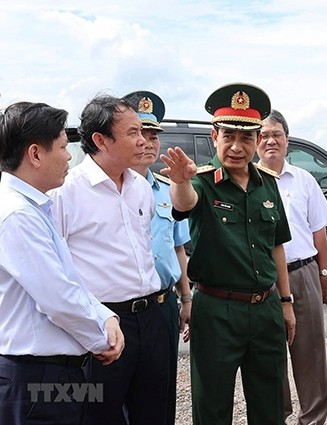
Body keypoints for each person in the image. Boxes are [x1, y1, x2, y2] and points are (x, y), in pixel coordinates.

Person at [160, 83, 295, 425]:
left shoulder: (269, 183)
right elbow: (184, 203)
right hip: (216, 311)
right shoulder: (201, 181)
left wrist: (286, 302)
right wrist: (179, 181)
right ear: (214, 135)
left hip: (265, 309)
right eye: (229, 136)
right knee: (213, 407)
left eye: (246, 138)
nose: (237, 147)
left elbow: (276, 245)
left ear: (256, 141)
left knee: (269, 406)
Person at [0, 101, 124, 425]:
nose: (69, 155)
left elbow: (70, 281)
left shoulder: (36, 207)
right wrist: (103, 339)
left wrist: (105, 316)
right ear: (35, 154)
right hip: (34, 376)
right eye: (61, 146)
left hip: (57, 372)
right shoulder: (18, 215)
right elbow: (58, 299)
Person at [50, 95, 170, 425]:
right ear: (101, 140)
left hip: (150, 318)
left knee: (154, 411)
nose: (143, 141)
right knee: (99, 413)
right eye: (133, 132)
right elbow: (57, 271)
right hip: (103, 327)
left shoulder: (141, 187)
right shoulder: (66, 192)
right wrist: (91, 325)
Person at [256, 109, 327, 424]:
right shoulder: (244, 180)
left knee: (310, 353)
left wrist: (324, 275)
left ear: (287, 140)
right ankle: (277, 416)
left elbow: (320, 234)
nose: (270, 141)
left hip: (303, 274)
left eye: (277, 134)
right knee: (268, 357)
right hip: (262, 281)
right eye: (263, 135)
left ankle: (313, 418)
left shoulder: (303, 179)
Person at [124, 91, 193, 425]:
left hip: (163, 305)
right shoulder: (106, 189)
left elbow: (178, 248)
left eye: (154, 136)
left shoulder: (168, 189)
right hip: (118, 309)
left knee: (159, 396)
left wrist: (186, 298)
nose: (148, 143)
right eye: (140, 134)